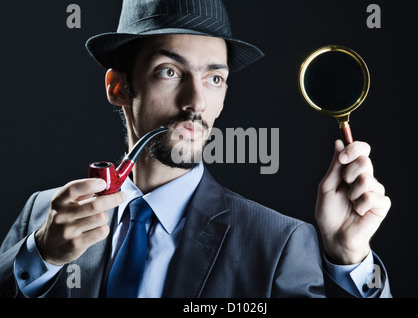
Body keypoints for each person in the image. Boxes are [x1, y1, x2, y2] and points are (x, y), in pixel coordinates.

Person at [0, 0, 391, 298]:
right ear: (118, 87)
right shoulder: (42, 214)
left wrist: (349, 258)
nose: (195, 102)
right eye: (169, 72)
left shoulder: (278, 244)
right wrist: (41, 257)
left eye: (214, 78)